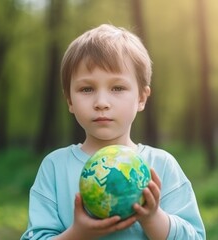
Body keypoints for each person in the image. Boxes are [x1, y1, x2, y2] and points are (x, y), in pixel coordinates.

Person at [21, 23, 205, 240]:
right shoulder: (54, 167)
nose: (101, 102)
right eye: (86, 89)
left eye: (117, 88)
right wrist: (78, 234)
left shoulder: (161, 166)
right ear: (70, 100)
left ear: (141, 98)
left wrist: (153, 217)